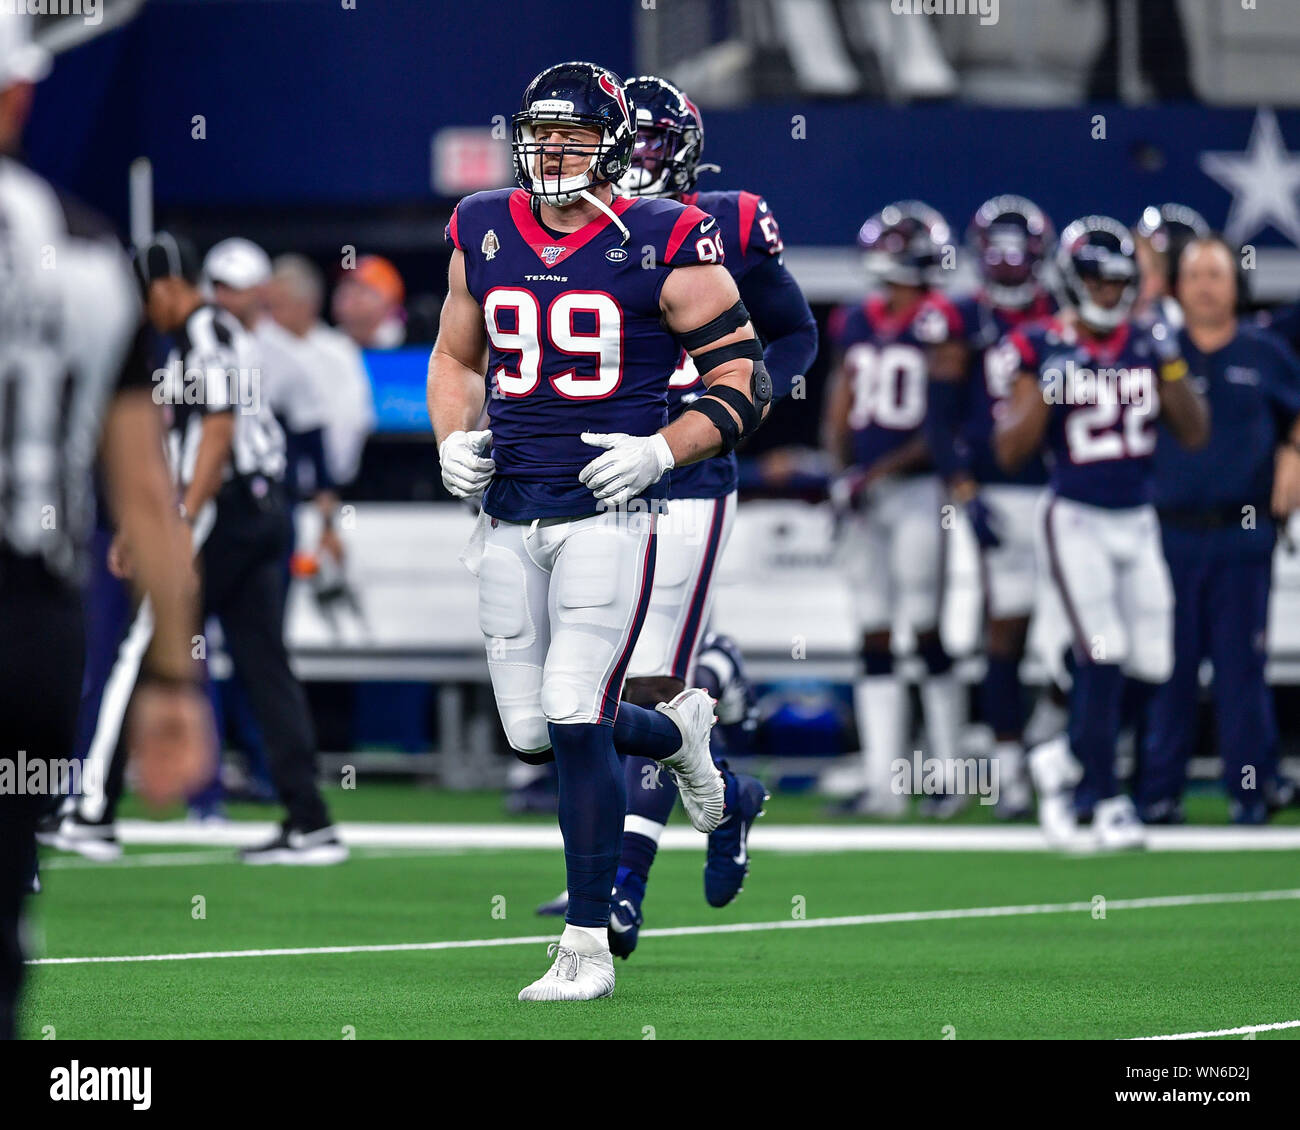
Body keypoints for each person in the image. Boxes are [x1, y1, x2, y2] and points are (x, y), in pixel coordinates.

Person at [429, 61, 772, 1002]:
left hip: (610, 509)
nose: (552, 154)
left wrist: (662, 452)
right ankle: (684, 739)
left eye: (573, 137)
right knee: (533, 731)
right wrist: (452, 439)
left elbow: (748, 376)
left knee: (576, 709)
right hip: (510, 507)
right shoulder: (482, 226)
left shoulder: (668, 234)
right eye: (540, 135)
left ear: (613, 147)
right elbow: (457, 353)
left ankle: (587, 943)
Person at [532, 74, 817, 953]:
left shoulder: (722, 223)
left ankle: (621, 886)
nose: (641, 157)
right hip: (593, 476)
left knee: (649, 677)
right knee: (592, 683)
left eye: (657, 143)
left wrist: (744, 398)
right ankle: (725, 796)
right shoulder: (579, 224)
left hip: (686, 475)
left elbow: (792, 329)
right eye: (633, 140)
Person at [0, 12, 211, 1038]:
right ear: (21, 96)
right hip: (26, 626)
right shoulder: (88, 252)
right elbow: (146, 496)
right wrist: (174, 676)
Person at [994, 216, 1209, 851]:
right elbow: (1009, 451)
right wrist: (1047, 388)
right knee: (1104, 651)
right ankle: (1106, 798)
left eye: (1118, 281)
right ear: (1071, 280)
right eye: (1096, 279)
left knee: (1156, 664)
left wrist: (1170, 363)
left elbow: (1194, 432)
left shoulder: (1149, 343)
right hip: (1078, 514)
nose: (1109, 292)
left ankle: (1062, 756)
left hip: (1138, 517)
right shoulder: (1039, 343)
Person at [134, 232, 346, 864]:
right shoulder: (232, 340)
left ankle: (93, 801)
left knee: (152, 642)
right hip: (259, 506)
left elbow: (225, 430)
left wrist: (179, 515)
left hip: (230, 510)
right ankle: (306, 817)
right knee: (258, 661)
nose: (229, 297)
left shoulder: (212, 341)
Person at [1142, 236, 1300, 824]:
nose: (1206, 286)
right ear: (1177, 286)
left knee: (1241, 671)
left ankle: (1250, 792)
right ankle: (1158, 793)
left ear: (1236, 284)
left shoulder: (1265, 352)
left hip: (1242, 533)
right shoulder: (1154, 351)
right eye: (1195, 275)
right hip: (1165, 536)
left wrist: (1294, 450)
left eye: (1217, 274)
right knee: (1168, 668)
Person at [821, 201, 970, 818]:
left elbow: (942, 424)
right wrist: (841, 471)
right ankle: (887, 783)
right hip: (867, 491)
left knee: (925, 624)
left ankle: (952, 774)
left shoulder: (941, 319)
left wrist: (870, 472)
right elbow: (841, 400)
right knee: (875, 629)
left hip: (918, 491)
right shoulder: (857, 320)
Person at [925, 195, 1056, 819]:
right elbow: (940, 419)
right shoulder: (961, 317)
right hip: (997, 490)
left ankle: (1058, 753)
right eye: (996, 253)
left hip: (1066, 492)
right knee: (1001, 630)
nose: (1007, 265)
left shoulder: (1061, 313)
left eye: (1017, 253)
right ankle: (1006, 773)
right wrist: (964, 491)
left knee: (1070, 638)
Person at [333, 253, 406, 349]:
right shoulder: (327, 343)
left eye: (361, 289)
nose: (346, 295)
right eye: (344, 285)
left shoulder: (411, 343)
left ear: (388, 302)